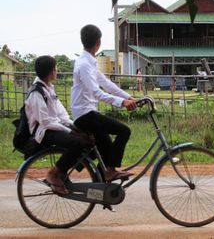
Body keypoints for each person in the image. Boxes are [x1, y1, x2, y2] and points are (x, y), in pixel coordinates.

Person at [71, 24, 137, 182]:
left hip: (87, 112)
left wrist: (129, 97)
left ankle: (104, 179)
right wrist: (122, 102)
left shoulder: (88, 62)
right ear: (98, 43)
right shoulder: (84, 65)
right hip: (85, 115)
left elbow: (107, 84)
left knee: (105, 142)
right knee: (124, 131)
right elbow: (97, 92)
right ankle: (110, 171)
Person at [25, 55, 92, 194]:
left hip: (55, 127)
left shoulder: (48, 88)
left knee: (90, 138)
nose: (57, 71)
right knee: (77, 143)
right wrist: (69, 131)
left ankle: (63, 172)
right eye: (55, 68)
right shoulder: (36, 93)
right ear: (50, 72)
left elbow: (61, 114)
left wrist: (74, 126)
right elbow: (46, 121)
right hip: (44, 132)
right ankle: (53, 174)